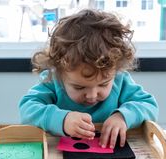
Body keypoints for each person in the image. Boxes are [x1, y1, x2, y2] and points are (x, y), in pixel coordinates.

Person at [19, 9, 158, 149]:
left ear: (115, 70)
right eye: (79, 87)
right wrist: (62, 120)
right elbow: (27, 109)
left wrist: (123, 117)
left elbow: (149, 106)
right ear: (60, 73)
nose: (92, 95)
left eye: (103, 84)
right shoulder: (53, 80)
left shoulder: (120, 80)